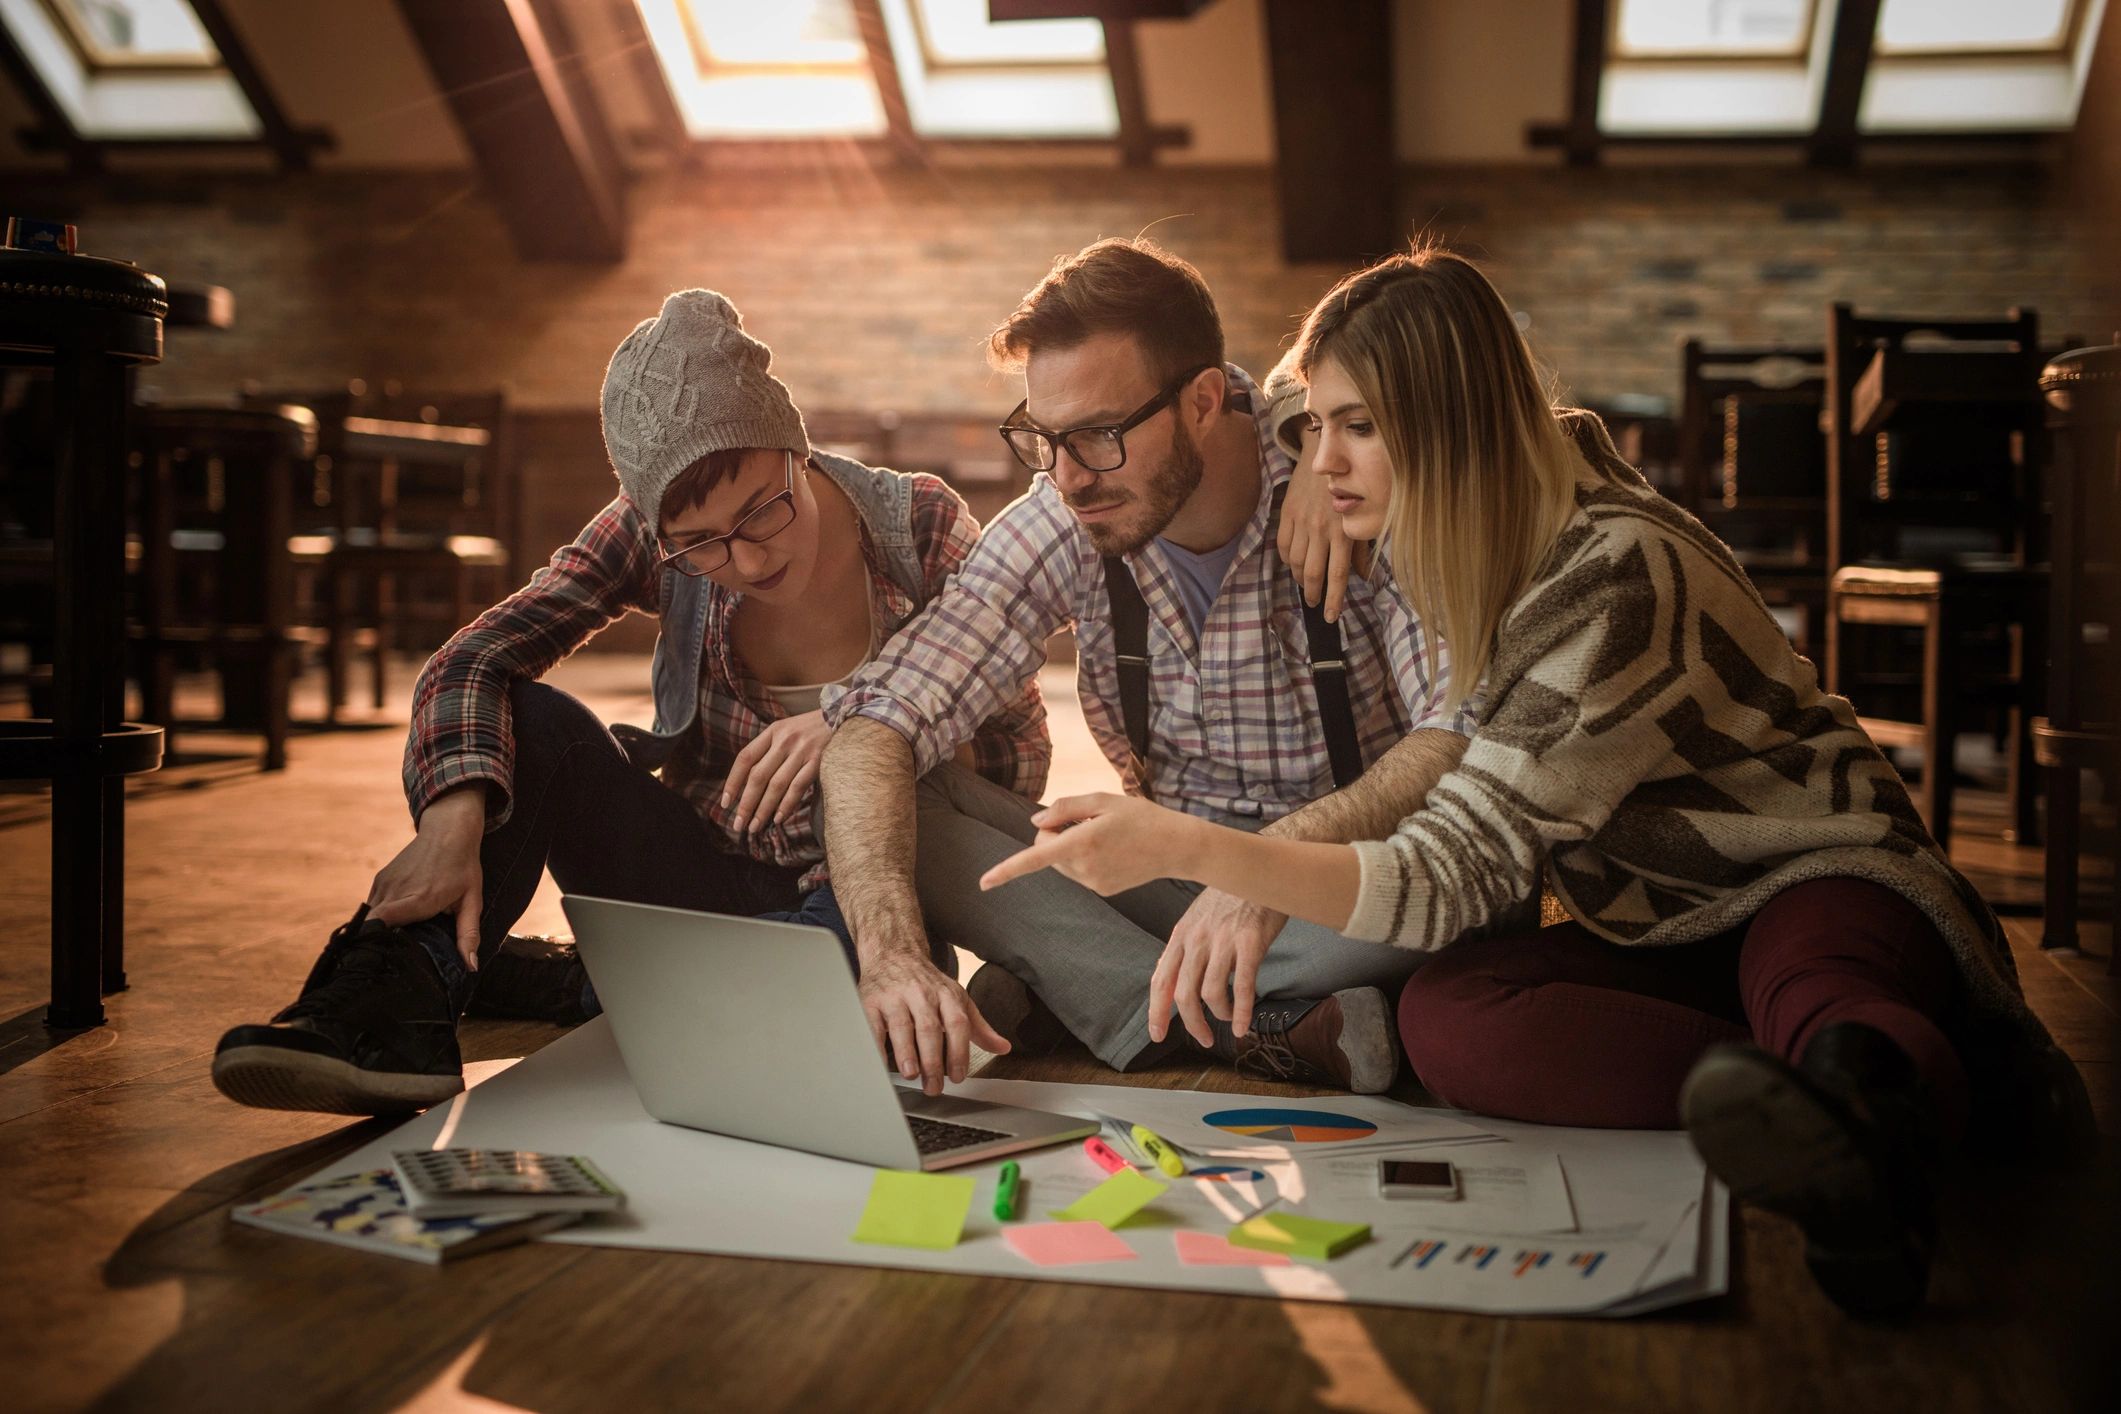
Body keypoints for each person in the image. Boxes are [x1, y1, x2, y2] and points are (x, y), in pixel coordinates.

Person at [978, 246, 2092, 1317]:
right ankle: (1805, 1108)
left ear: (1452, 421)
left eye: (1355, 430)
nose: (1316, 464)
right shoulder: (1464, 511)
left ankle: (1895, 1097)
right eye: (1316, 429)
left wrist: (1198, 852)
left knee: (1813, 980)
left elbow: (1447, 878)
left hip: (1808, 871)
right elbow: (1269, 389)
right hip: (1645, 917)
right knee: (1451, 1020)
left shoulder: (1612, 575)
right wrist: (1308, 434)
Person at [213, 289, 1047, 1116]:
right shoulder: (645, 531)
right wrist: (449, 820)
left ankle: (580, 982)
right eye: (700, 544)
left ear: (796, 448)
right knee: (533, 721)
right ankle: (391, 1008)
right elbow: (475, 657)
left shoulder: (915, 527)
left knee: (829, 1000)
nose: (748, 561)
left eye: (763, 511)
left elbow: (1014, 755)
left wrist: (864, 727)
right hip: (695, 865)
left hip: (861, 901)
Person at [817, 238, 1478, 1100]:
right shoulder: (1063, 517)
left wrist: (1268, 869)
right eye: (1044, 438)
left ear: (1202, 402)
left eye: (1098, 436)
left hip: (1328, 894)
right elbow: (877, 727)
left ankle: (1086, 989)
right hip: (1164, 888)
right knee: (897, 789)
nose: (1067, 478)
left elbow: (1453, 737)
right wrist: (892, 958)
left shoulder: (1349, 487)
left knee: (1451, 903)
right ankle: (1226, 1019)